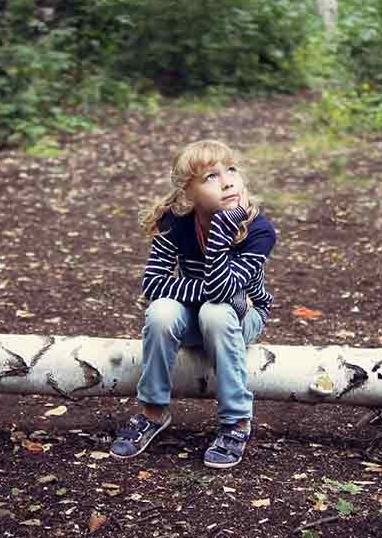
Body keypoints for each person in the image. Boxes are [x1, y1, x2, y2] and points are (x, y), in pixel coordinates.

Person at [109, 139, 277, 469]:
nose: (227, 180)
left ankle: (236, 422)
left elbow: (226, 294)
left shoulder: (259, 230)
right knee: (161, 311)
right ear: (188, 194)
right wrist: (201, 292)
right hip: (199, 313)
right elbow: (153, 285)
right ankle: (153, 411)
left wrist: (223, 230)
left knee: (215, 313)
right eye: (211, 177)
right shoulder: (176, 221)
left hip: (244, 315)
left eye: (231, 170)